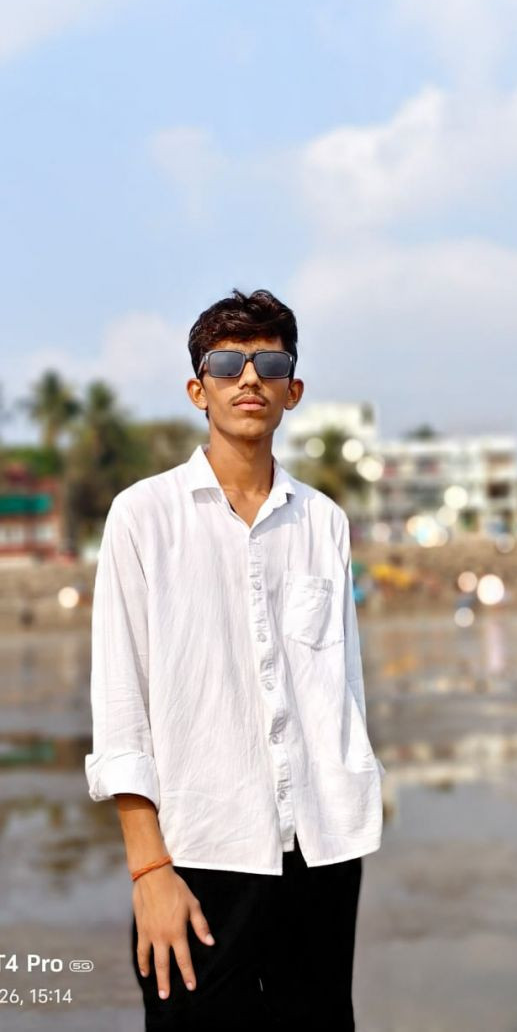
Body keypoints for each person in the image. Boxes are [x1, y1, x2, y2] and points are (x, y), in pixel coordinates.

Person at [84, 287, 385, 1030]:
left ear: (292, 390)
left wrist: (353, 798)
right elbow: (121, 702)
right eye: (226, 364)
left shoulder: (324, 521)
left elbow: (341, 688)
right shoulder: (143, 516)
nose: (249, 378)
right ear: (199, 389)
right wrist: (149, 869)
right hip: (197, 850)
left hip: (319, 850)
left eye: (269, 364)